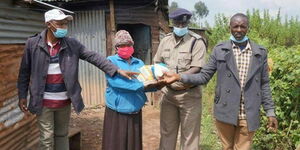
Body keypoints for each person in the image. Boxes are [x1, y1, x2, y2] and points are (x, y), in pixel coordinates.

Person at [17, 9, 136, 150]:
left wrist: (115, 69)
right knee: (47, 139)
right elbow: (24, 71)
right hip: (43, 101)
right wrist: (22, 95)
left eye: (65, 23)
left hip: (64, 101)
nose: (63, 27)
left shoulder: (72, 44)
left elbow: (93, 56)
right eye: (59, 23)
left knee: (62, 135)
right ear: (49, 24)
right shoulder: (32, 44)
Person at [163, 13, 278, 150]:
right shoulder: (220, 50)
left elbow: (264, 84)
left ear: (248, 28)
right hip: (226, 109)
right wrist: (179, 77)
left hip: (248, 111)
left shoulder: (259, 52)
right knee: (227, 147)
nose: (239, 30)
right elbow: (204, 76)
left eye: (243, 26)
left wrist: (270, 111)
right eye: (236, 26)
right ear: (230, 27)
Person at [153, 8, 207, 150]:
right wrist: (160, 73)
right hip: (168, 95)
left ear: (188, 23)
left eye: (184, 24)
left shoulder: (197, 42)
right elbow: (157, 61)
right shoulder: (165, 41)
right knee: (167, 133)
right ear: (173, 23)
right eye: (178, 24)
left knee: (189, 136)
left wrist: (177, 77)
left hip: (189, 96)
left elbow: (197, 68)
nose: (181, 27)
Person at [102, 30, 163, 150]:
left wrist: (157, 85)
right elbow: (116, 83)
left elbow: (145, 82)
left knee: (133, 144)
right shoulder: (110, 61)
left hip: (134, 110)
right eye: (122, 45)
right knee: (115, 144)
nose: (125, 48)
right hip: (117, 111)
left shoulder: (138, 63)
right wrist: (140, 85)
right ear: (116, 47)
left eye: (128, 45)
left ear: (132, 46)